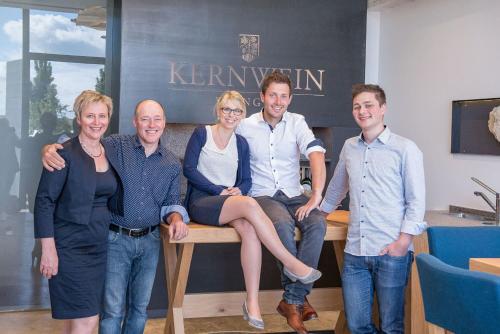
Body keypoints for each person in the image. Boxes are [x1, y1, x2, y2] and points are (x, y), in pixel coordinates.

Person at [41, 99, 189, 334]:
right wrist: (50, 148)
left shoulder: (171, 163)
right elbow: (82, 144)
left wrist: (177, 219)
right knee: (111, 310)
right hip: (114, 239)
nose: (151, 125)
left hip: (150, 242)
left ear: (164, 123)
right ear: (134, 122)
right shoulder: (116, 146)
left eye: (157, 119)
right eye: (144, 119)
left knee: (140, 309)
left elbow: (172, 201)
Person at [183, 90, 321, 330]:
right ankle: (291, 262)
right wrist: (219, 190)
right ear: (218, 110)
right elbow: (189, 170)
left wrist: (238, 189)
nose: (231, 114)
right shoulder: (202, 133)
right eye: (226, 109)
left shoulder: (241, 142)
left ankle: (253, 303)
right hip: (203, 201)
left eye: (236, 110)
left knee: (249, 229)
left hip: (228, 202)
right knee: (250, 203)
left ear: (242, 115)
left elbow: (246, 180)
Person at [320, 84, 427, 334]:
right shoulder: (349, 147)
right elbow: (337, 188)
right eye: (357, 106)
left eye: (368, 105)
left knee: (391, 326)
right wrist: (318, 215)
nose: (362, 111)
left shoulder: (405, 149)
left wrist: (403, 242)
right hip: (355, 252)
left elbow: (416, 200)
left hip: (391, 251)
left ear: (382, 109)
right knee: (357, 325)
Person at [236, 71, 327, 334]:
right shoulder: (246, 125)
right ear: (262, 96)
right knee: (282, 223)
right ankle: (298, 300)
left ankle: (292, 299)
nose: (278, 101)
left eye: (284, 96)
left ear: (290, 99)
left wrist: (316, 196)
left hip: (293, 193)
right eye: (273, 95)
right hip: (262, 195)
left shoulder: (297, 122)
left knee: (318, 223)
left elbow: (316, 154)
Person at [34, 90, 123, 334]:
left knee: (75, 321)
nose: (97, 122)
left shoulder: (112, 149)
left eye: (102, 116)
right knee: (87, 321)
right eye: (90, 116)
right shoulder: (63, 153)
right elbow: (44, 202)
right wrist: (48, 250)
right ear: (79, 119)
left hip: (99, 247)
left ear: (108, 118)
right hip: (69, 247)